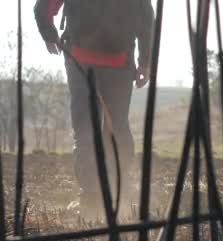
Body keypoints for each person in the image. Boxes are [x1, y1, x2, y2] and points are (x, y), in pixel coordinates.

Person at [34, 0, 154, 221]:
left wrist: (49, 33)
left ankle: (94, 199)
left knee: (87, 130)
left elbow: (43, 7)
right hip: (113, 62)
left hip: (82, 60)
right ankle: (117, 196)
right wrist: (145, 62)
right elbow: (146, 19)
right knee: (115, 128)